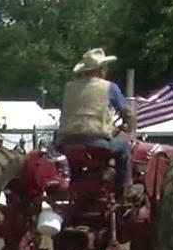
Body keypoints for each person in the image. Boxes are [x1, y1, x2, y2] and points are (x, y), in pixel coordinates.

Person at [56, 48, 133, 199]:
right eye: (105, 67)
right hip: (96, 141)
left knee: (75, 161)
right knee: (124, 148)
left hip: (67, 141)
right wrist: (129, 125)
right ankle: (122, 190)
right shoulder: (109, 87)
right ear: (100, 69)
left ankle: (76, 186)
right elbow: (126, 111)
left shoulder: (69, 87)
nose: (107, 70)